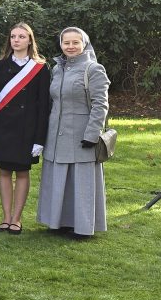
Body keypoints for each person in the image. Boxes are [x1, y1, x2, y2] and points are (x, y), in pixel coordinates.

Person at [36, 27, 110, 240]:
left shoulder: (94, 69)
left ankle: (83, 227)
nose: (70, 46)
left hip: (80, 134)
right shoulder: (57, 69)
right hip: (56, 133)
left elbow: (100, 104)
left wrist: (92, 134)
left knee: (81, 181)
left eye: (75, 42)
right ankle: (57, 222)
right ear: (61, 44)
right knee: (58, 178)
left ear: (84, 44)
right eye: (66, 42)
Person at [0, 24, 50, 235]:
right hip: (2, 128)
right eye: (13, 36)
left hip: (26, 129)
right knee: (4, 171)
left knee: (22, 172)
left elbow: (43, 106)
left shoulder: (40, 68)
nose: (16, 40)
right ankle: (5, 217)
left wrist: (40, 139)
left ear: (30, 40)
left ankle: (17, 218)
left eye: (21, 36)